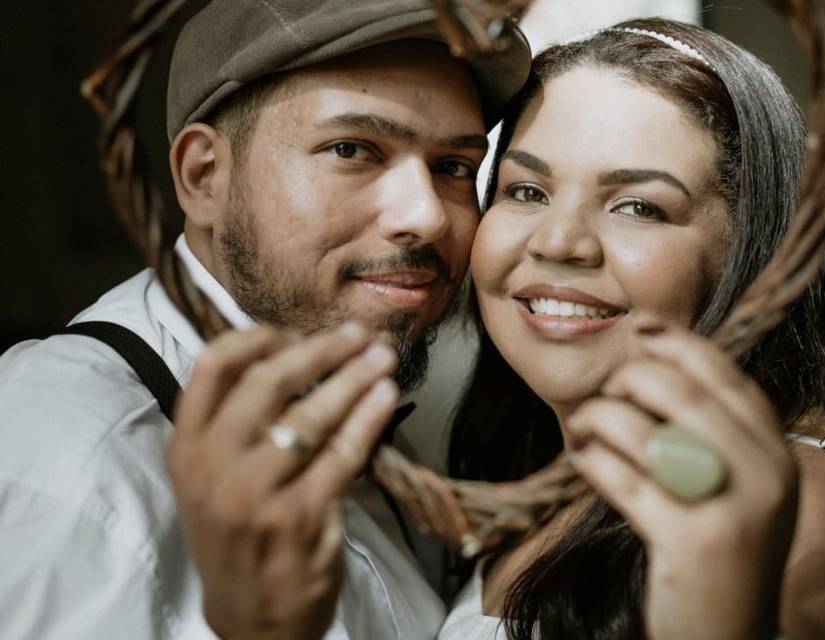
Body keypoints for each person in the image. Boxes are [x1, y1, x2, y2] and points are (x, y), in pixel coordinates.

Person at [0, 1, 529, 638]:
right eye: (351, 149)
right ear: (203, 177)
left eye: (453, 168)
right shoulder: (56, 460)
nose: (429, 216)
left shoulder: (351, 404)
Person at [440, 18, 825, 639]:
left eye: (638, 206)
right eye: (527, 190)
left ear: (751, 254)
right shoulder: (541, 464)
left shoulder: (803, 524)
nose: (558, 242)